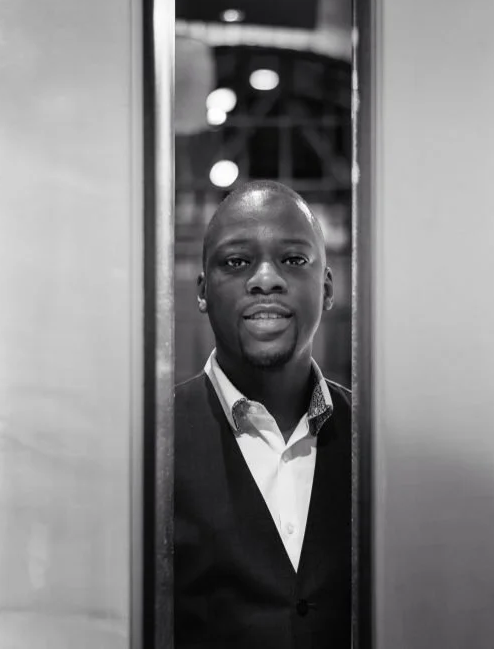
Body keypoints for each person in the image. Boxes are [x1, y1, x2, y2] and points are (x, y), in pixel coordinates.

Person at [174, 180, 352, 648]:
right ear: (202, 291)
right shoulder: (151, 441)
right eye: (237, 262)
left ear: (327, 287)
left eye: (293, 259)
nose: (266, 279)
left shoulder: (377, 441)